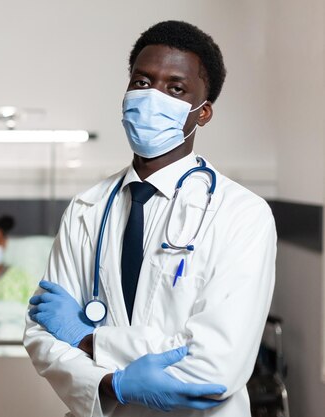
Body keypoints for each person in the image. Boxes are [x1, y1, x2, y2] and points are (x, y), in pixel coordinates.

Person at [25, 20, 276, 417]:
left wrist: (90, 339)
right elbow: (43, 336)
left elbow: (215, 367)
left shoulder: (241, 215)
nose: (152, 97)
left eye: (175, 88)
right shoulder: (86, 210)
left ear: (203, 112)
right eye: (142, 82)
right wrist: (112, 385)